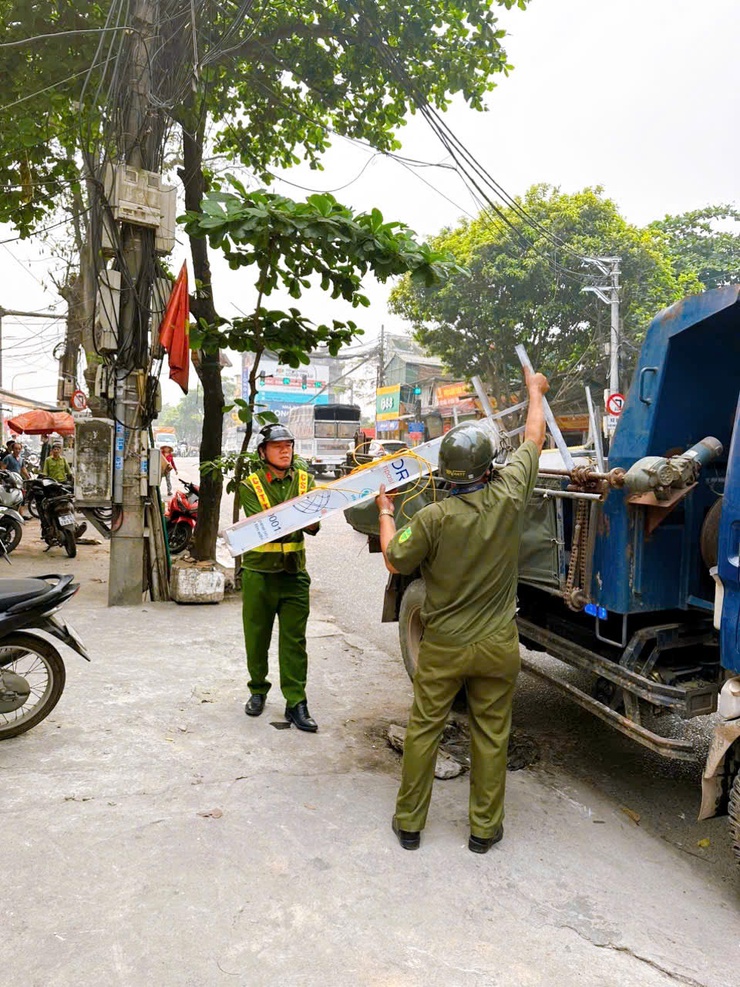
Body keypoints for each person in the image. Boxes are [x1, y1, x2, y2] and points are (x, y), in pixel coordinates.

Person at [376, 366, 549, 853]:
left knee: (424, 729)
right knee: (493, 734)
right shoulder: (510, 495)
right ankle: (483, 831)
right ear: (489, 467)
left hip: (444, 646)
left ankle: (409, 824)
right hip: (498, 645)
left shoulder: (432, 518)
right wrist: (534, 391)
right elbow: (534, 437)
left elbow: (394, 557)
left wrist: (387, 512)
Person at [240, 423, 321, 732]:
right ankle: (258, 690)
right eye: (277, 446)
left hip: (295, 575)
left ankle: (296, 702)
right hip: (259, 573)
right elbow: (269, 523)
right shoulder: (251, 485)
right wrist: (302, 514)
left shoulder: (306, 479)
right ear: (263, 452)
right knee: (256, 638)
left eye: (288, 445)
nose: (285, 450)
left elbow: (313, 524)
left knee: (294, 642)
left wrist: (305, 518)